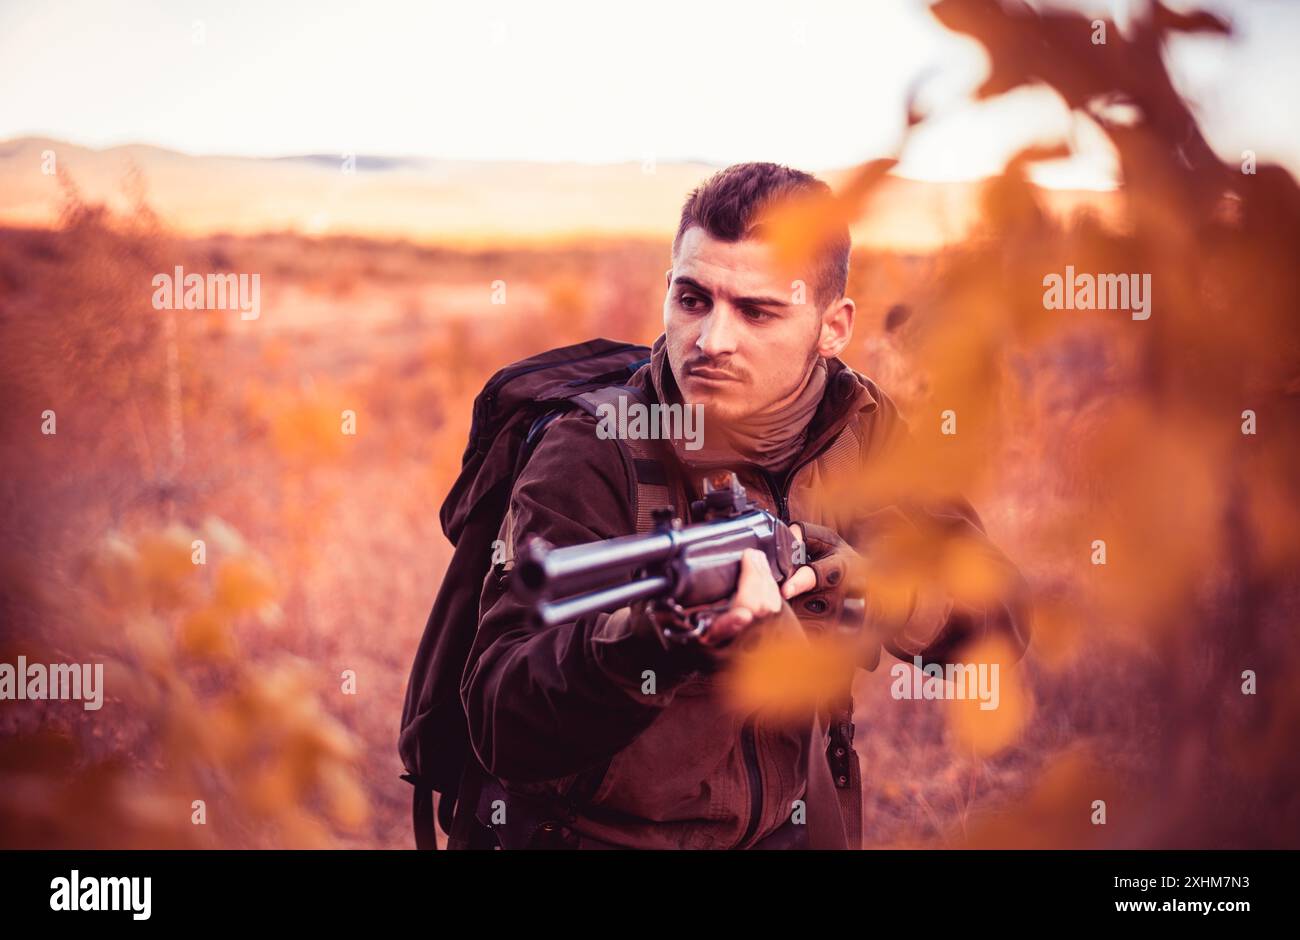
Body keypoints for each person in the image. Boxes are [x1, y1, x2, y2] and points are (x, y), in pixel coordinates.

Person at [455, 162, 1031, 849]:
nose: (712, 340)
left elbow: (1000, 631)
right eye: (693, 299)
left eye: (757, 311)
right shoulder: (596, 447)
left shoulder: (863, 429)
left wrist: (873, 596)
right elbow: (501, 721)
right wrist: (649, 643)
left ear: (833, 326)